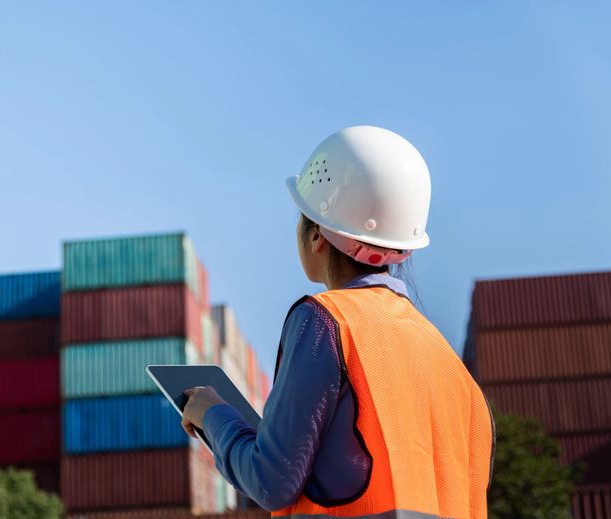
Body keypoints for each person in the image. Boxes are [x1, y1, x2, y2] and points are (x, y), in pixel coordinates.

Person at [182, 126, 495, 518]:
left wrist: (211, 414)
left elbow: (271, 480)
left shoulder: (326, 322)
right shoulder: (452, 368)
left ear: (316, 236)